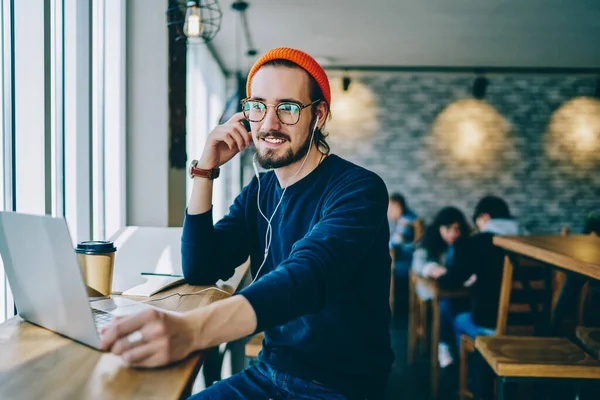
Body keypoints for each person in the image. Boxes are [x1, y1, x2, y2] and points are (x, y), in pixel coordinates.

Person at [100, 47, 394, 400]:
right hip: (269, 373)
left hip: (339, 387)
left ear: (318, 115)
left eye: (287, 108)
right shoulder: (261, 189)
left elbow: (307, 276)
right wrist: (205, 170)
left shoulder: (359, 189)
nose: (268, 124)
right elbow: (201, 267)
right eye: (258, 107)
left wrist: (190, 331)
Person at [437, 196, 525, 346]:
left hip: (491, 324)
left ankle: (469, 366)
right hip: (533, 323)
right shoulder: (532, 240)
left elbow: (450, 281)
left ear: (484, 217)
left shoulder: (478, 242)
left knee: (459, 319)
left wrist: (439, 277)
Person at [411, 206, 470, 368]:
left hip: (455, 289)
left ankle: (459, 348)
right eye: (448, 229)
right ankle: (445, 345)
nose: (453, 234)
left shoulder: (464, 244)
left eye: (457, 229)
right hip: (429, 287)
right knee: (446, 303)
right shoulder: (429, 241)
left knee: (458, 303)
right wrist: (431, 269)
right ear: (439, 228)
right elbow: (417, 263)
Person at [388, 193, 418, 277]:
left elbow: (395, 243)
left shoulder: (406, 221)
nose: (388, 212)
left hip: (404, 262)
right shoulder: (407, 217)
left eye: (390, 208)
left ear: (397, 205)